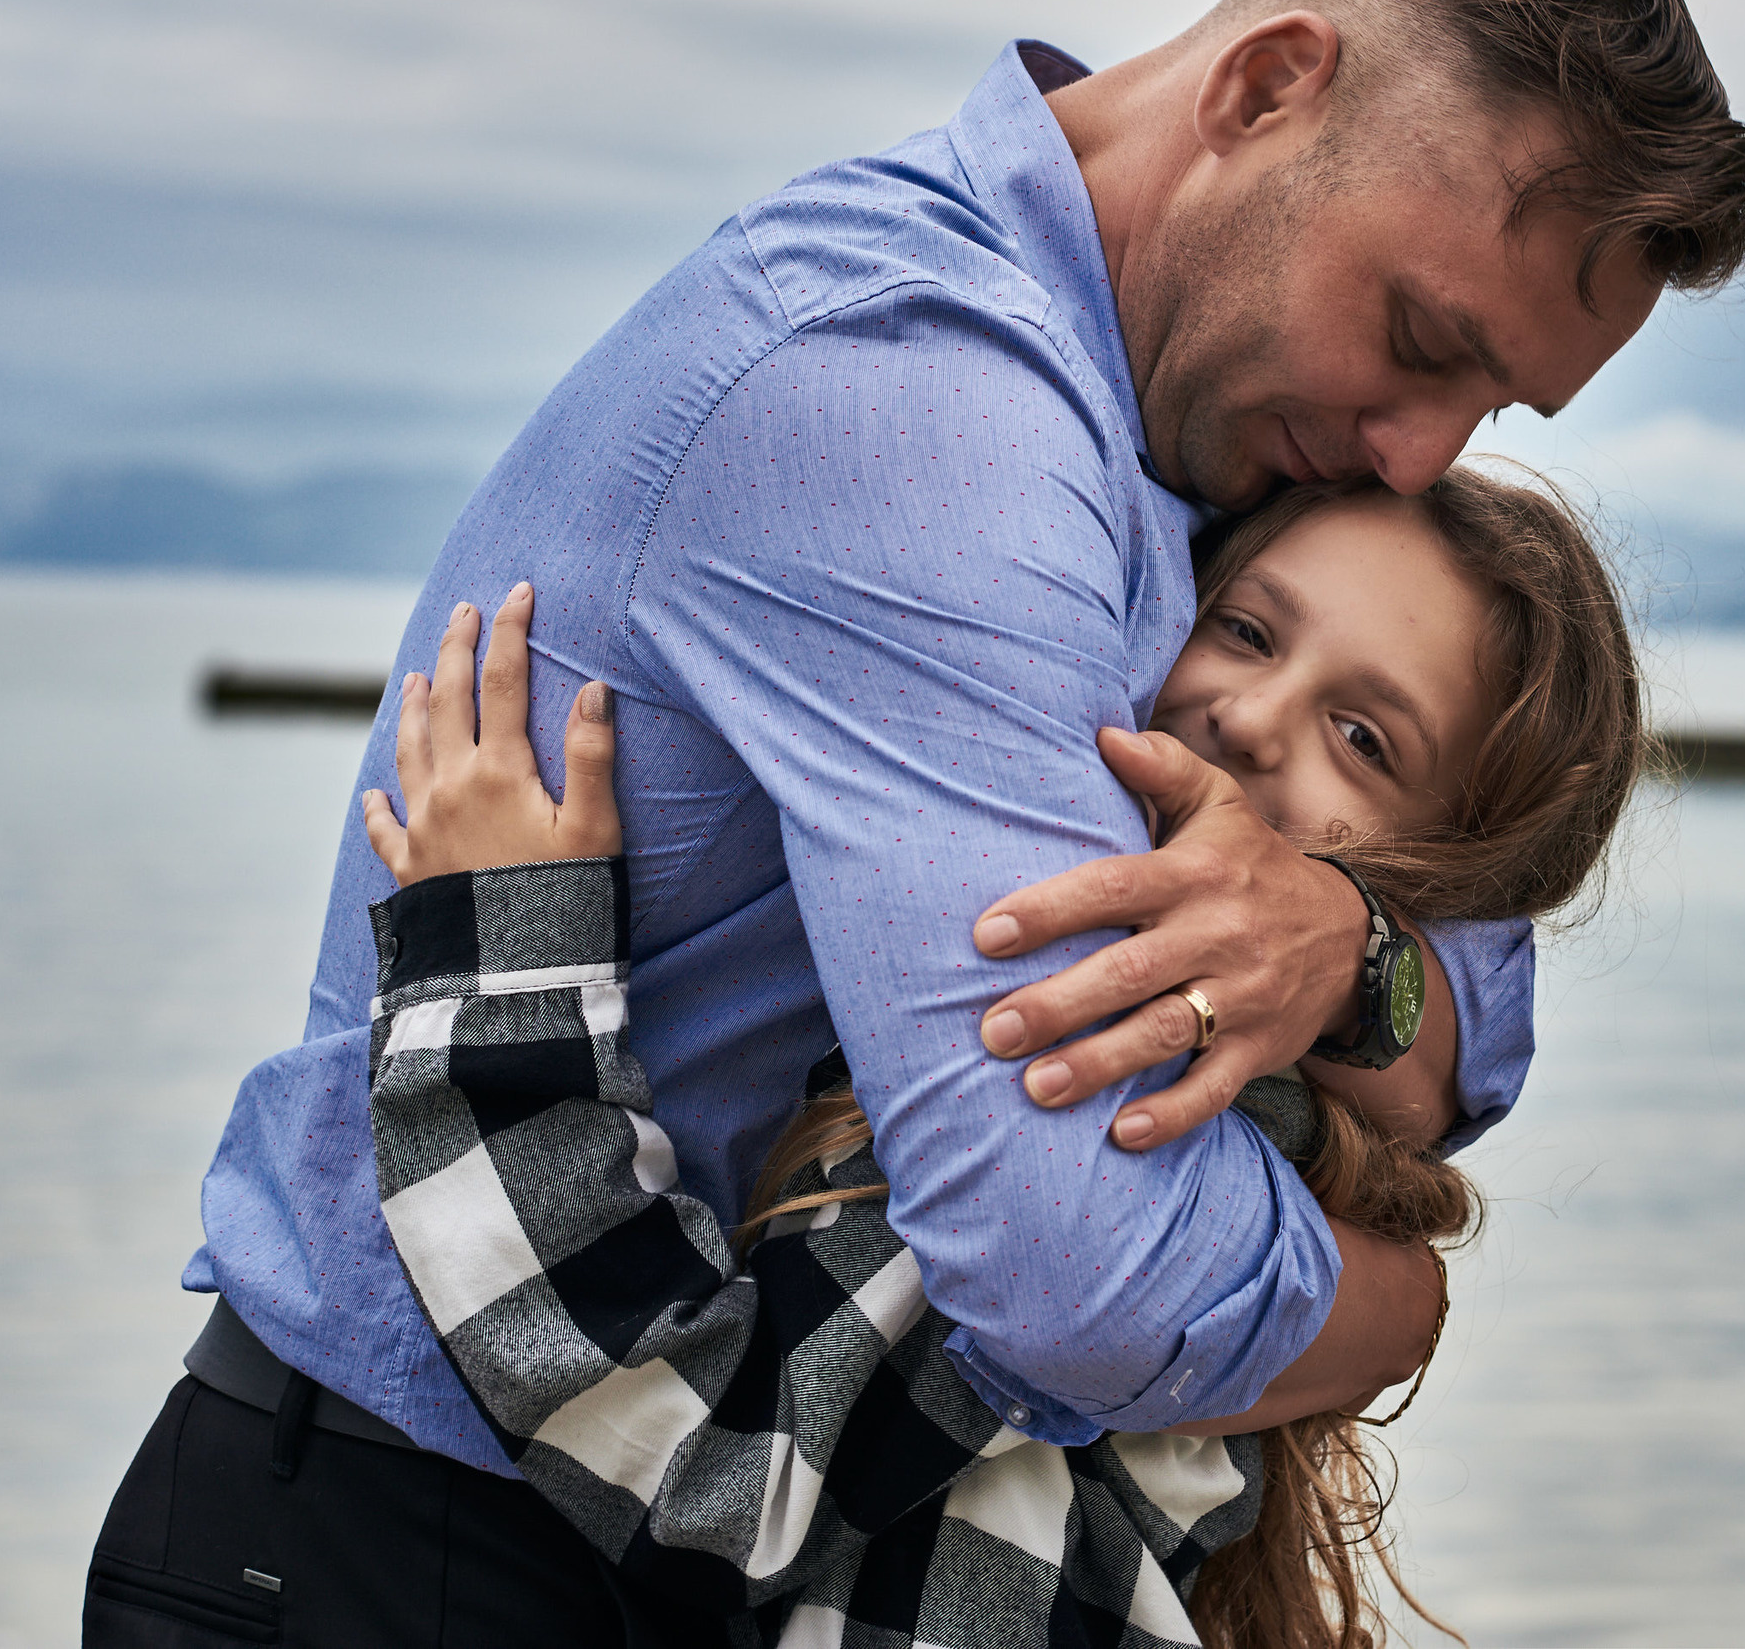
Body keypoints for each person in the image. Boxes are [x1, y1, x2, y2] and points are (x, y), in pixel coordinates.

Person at [86, 0, 1745, 1640]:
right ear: (1267, 90)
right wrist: (1391, 1307)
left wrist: (1349, 946)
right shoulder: (933, 410)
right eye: (1422, 338)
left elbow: (1481, 959)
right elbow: (1075, 1280)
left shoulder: (1195, 444)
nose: (1423, 451)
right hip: (402, 1544)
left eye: (1494, 400)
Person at [356, 463, 1644, 1647]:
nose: (1252, 717)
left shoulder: (1137, 1088)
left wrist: (500, 957)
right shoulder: (1277, 1106)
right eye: (1246, 628)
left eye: (1364, 739)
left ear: (1440, 877)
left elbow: (699, 1466)